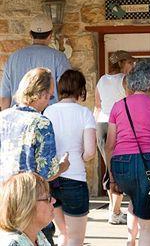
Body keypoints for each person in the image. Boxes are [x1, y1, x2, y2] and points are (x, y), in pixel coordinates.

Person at [0, 67, 70, 245]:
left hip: (5, 197)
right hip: (30, 201)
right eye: (50, 96)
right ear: (43, 94)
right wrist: (64, 165)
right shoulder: (41, 122)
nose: (49, 101)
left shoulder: (3, 117)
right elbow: (46, 174)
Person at [105, 61, 150, 246]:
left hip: (121, 164)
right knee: (148, 226)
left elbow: (110, 145)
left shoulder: (118, 106)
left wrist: (112, 177)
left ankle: (130, 241)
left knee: (135, 199)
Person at [44, 69, 96, 246]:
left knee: (63, 234)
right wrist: (80, 156)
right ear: (81, 90)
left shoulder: (48, 111)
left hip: (52, 178)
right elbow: (90, 152)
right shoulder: (84, 113)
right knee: (76, 238)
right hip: (75, 178)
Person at [94, 50, 135, 225]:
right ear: (123, 63)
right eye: (130, 63)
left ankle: (114, 210)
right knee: (118, 169)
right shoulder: (125, 80)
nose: (132, 66)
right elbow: (131, 104)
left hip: (101, 124)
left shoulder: (102, 80)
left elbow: (97, 105)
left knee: (110, 168)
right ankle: (115, 212)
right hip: (117, 125)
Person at [0, 13, 71, 110]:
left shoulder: (13, 58)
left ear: (30, 34)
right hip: (49, 117)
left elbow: (4, 97)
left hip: (18, 118)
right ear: (50, 35)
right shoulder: (59, 58)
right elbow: (67, 93)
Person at [0, 171, 55, 246]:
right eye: (47, 198)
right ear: (27, 206)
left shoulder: (37, 235)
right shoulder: (13, 243)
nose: (54, 201)